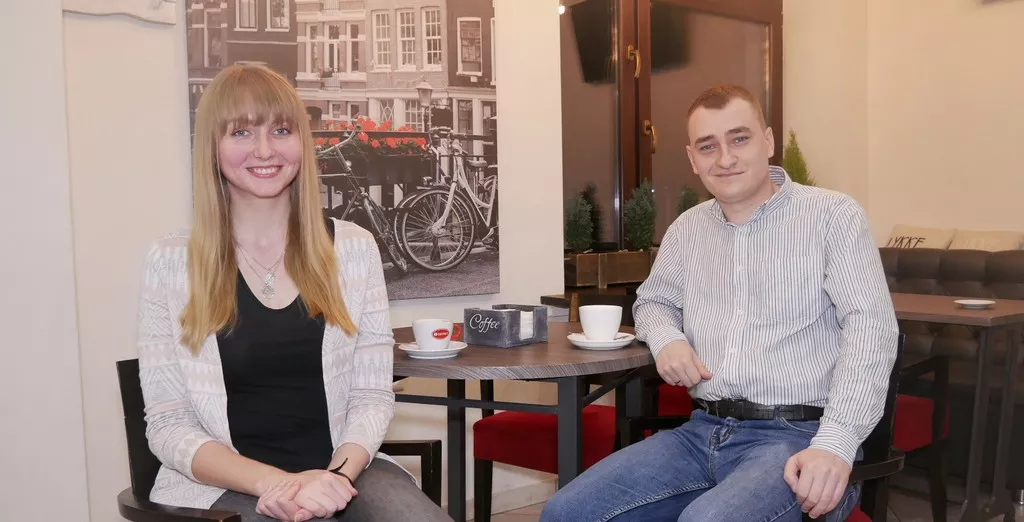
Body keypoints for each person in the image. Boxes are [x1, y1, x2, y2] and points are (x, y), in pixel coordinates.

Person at [541, 84, 899, 522]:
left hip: (802, 436)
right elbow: (653, 303)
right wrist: (667, 339)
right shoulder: (687, 229)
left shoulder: (833, 217)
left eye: (739, 138)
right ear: (692, 158)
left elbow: (871, 330)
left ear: (768, 141)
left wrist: (836, 443)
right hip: (702, 431)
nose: (725, 158)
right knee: (567, 512)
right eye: (708, 146)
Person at [136, 63, 451, 522]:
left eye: (281, 130)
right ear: (212, 147)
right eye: (241, 133)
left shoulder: (354, 249)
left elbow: (371, 396)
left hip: (342, 472)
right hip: (227, 485)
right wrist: (276, 483)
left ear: (302, 141)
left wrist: (334, 479)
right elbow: (168, 425)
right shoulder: (170, 261)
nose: (265, 149)